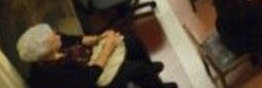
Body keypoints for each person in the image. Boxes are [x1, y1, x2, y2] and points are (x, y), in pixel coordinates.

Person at [17, 24, 172, 88]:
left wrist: (100, 38)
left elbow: (77, 39)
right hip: (92, 79)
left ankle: (150, 70)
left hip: (88, 62)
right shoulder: (51, 75)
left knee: (132, 41)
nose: (58, 36)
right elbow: (90, 75)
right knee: (136, 69)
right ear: (45, 53)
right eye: (54, 39)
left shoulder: (54, 44)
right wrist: (108, 47)